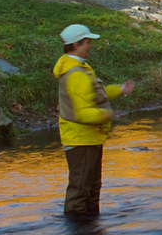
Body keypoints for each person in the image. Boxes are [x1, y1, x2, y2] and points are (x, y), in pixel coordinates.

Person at [54, 23, 135, 219]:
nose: (90, 45)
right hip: (80, 139)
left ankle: (90, 233)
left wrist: (120, 90)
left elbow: (94, 95)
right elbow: (83, 113)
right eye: (87, 42)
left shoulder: (81, 68)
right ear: (76, 45)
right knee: (81, 190)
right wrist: (108, 115)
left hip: (89, 138)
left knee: (91, 188)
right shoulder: (76, 74)